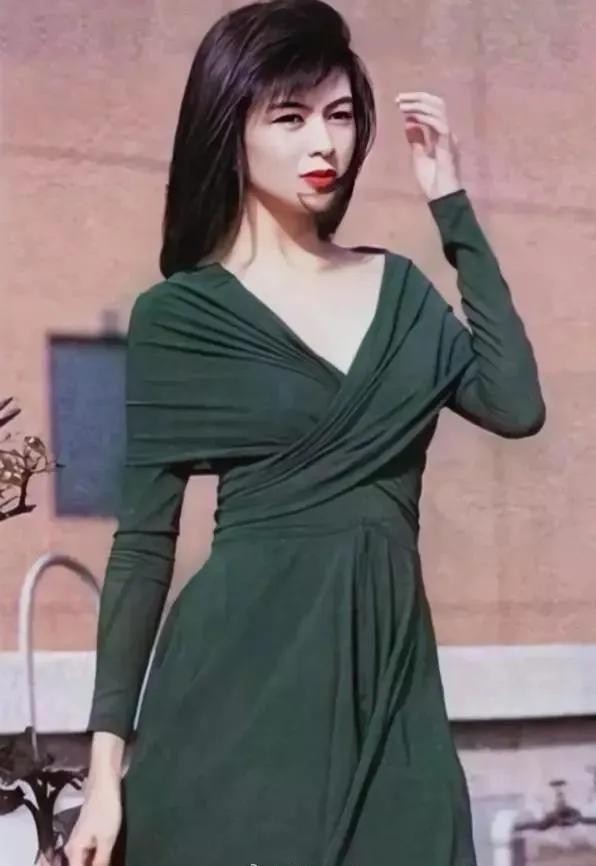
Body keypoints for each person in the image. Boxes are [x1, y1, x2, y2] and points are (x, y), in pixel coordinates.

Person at [66, 1, 546, 864]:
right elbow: (142, 546)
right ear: (231, 131)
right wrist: (104, 773)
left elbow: (516, 405)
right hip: (231, 704)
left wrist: (452, 206)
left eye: (340, 115)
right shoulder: (180, 317)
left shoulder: (402, 294)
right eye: (289, 118)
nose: (324, 143)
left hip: (391, 691)